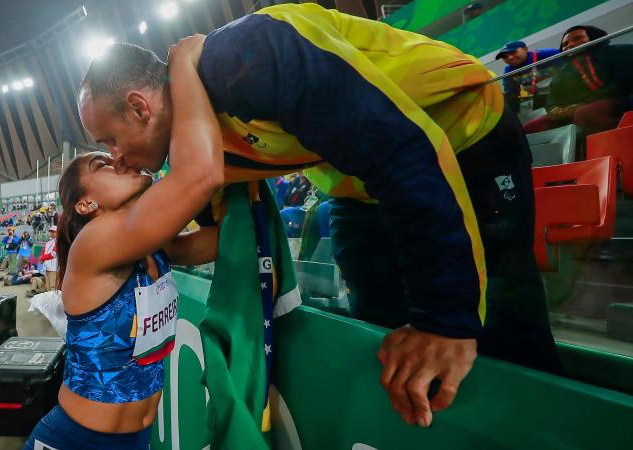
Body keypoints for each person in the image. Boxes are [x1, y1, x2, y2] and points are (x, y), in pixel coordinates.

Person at [83, 3, 561, 427]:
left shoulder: (244, 55)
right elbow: (222, 234)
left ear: (139, 107)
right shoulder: (190, 147)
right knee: (382, 331)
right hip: (360, 187)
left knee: (495, 320)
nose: (116, 157)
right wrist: (150, 243)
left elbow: (397, 148)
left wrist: (445, 318)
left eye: (109, 141)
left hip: (460, 133)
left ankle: (552, 427)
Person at [24, 37, 223, 450]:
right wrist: (184, 65)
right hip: (77, 440)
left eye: (112, 145)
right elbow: (202, 175)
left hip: (136, 439)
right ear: (87, 202)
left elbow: (213, 242)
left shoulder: (149, 243)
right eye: (102, 159)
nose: (116, 157)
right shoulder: (96, 242)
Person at [523, 25, 633, 134]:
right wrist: (555, 110)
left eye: (577, 38)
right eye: (565, 44)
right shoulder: (563, 71)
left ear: (592, 38)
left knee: (585, 114)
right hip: (572, 111)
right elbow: (554, 98)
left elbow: (622, 86)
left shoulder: (619, 52)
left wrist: (581, 105)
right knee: (529, 128)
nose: (570, 45)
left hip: (617, 101)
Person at [496, 40, 559, 111]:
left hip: (562, 89)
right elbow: (512, 95)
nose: (509, 57)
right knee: (509, 105)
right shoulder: (508, 71)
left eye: (513, 52)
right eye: (505, 57)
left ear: (525, 49)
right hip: (540, 98)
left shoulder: (548, 54)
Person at [39, 225, 58, 291]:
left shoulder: (58, 241)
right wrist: (41, 258)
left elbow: (54, 254)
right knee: (48, 287)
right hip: (47, 266)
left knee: (53, 287)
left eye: (54, 232)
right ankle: (49, 301)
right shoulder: (48, 242)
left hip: (54, 268)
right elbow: (43, 251)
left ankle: (53, 301)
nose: (52, 233)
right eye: (51, 232)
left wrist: (43, 258)